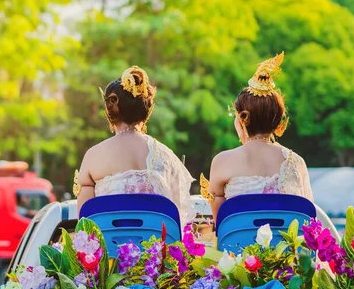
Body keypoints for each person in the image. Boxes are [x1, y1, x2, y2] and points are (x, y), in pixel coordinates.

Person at [204, 52, 338, 237]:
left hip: (240, 260)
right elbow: (306, 220)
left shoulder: (222, 161)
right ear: (277, 122)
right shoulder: (296, 162)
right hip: (288, 263)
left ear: (242, 120)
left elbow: (222, 226)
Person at [74, 66, 195, 226]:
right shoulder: (166, 156)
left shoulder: (93, 156)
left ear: (110, 111)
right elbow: (178, 221)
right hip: (156, 249)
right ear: (146, 110)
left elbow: (85, 223)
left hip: (111, 248)